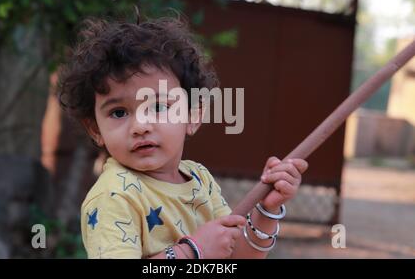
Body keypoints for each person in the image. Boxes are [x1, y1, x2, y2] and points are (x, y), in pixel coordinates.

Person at [57, 15, 308, 259]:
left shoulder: (200, 179)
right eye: (119, 112)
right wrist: (193, 250)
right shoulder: (114, 197)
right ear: (96, 130)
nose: (140, 125)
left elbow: (238, 256)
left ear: (193, 116)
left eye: (158, 107)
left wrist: (267, 210)